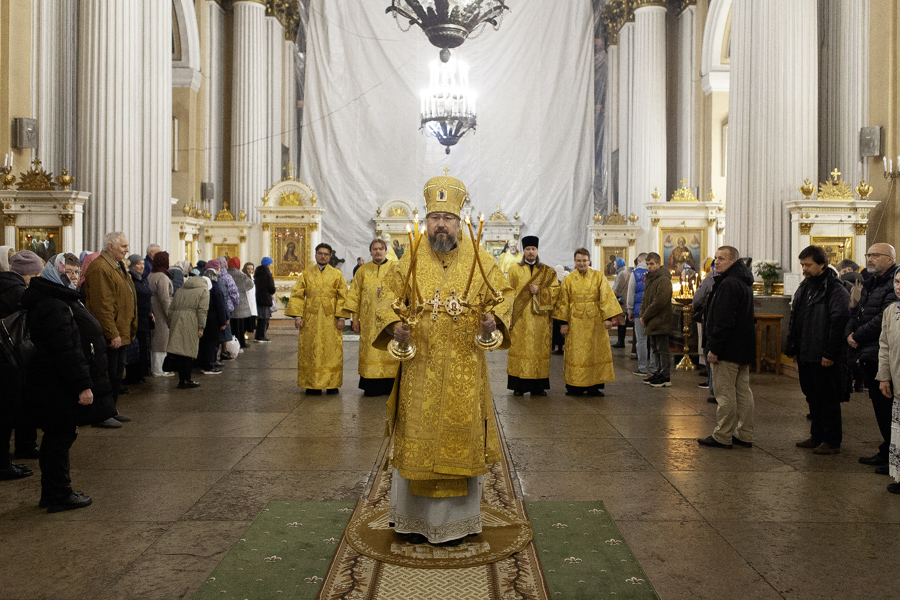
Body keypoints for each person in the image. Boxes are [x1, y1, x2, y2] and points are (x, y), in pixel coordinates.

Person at [373, 172, 513, 545]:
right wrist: (394, 327)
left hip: (466, 368)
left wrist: (491, 320)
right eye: (434, 217)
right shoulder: (411, 257)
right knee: (417, 438)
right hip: (420, 367)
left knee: (459, 441)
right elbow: (386, 296)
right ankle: (410, 521)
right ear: (427, 219)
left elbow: (505, 294)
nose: (440, 225)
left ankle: (457, 524)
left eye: (447, 218)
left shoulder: (480, 258)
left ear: (459, 221)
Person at [21, 255, 117, 512]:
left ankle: (53, 491)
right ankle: (58, 494)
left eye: (76, 272)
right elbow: (66, 351)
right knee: (60, 437)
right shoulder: (55, 305)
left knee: (58, 437)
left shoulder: (55, 299)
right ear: (55, 272)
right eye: (69, 271)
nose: (74, 276)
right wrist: (83, 386)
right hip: (56, 383)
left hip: (51, 380)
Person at [784, 246, 851, 455]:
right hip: (806, 351)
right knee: (812, 395)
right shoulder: (805, 286)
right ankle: (817, 436)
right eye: (802, 264)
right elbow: (797, 317)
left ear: (822, 264)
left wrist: (830, 353)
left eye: (808, 265)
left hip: (823, 352)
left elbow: (838, 321)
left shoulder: (834, 289)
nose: (804, 268)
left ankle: (831, 440)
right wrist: (793, 347)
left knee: (827, 398)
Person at [697, 246, 757, 449]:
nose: (716, 262)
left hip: (728, 349)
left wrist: (715, 348)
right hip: (742, 347)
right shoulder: (742, 281)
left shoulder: (729, 284)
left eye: (721, 258)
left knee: (725, 394)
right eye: (715, 258)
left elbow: (723, 321)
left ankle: (723, 435)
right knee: (742, 391)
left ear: (734, 260)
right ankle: (745, 433)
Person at [847, 243, 899, 468]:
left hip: (878, 351)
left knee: (888, 408)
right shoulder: (870, 283)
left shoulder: (890, 284)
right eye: (868, 254)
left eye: (875, 255)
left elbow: (881, 321)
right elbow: (857, 311)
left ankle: (892, 453)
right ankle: (888, 449)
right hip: (871, 353)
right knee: (880, 408)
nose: (870, 258)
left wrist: (857, 335)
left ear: (890, 259)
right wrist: (849, 333)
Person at [83, 231, 137, 428]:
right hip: (111, 334)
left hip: (120, 331)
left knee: (116, 374)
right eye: (123, 246)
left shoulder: (117, 266)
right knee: (105, 375)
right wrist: (111, 332)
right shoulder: (100, 268)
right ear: (111, 246)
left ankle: (111, 410)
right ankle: (101, 414)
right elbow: (102, 305)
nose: (127, 250)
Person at [553, 248, 623, 397]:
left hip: (595, 322)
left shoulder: (598, 277)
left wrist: (608, 318)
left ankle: (594, 387)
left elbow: (606, 297)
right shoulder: (568, 279)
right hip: (575, 322)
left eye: (584, 260)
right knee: (576, 354)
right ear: (575, 261)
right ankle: (574, 387)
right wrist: (563, 323)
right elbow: (563, 302)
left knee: (595, 353)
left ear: (589, 261)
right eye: (579, 260)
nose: (581, 263)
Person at [0, 250, 43, 481]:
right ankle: (2, 463)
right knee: (6, 413)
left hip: (7, 358)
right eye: (36, 273)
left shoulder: (8, 285)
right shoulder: (16, 291)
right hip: (9, 360)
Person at [285, 243, 348, 395]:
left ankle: (332, 383)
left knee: (331, 349)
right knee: (310, 348)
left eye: (326, 254)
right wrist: (298, 317)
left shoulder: (337, 274)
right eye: (320, 253)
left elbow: (343, 296)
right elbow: (297, 295)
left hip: (330, 318)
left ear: (330, 256)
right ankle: (311, 383)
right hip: (310, 318)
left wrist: (341, 317)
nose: (323, 256)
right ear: (315, 255)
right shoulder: (306, 274)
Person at [506, 235, 559, 396]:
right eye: (528, 249)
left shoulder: (547, 271)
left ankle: (538, 387)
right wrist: (508, 317)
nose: (531, 252)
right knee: (520, 349)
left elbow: (556, 291)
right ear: (524, 251)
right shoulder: (514, 269)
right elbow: (507, 293)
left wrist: (541, 291)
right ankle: (519, 386)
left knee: (538, 351)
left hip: (539, 320)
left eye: (533, 249)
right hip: (520, 318)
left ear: (537, 251)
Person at [345, 239, 398, 397]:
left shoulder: (395, 268)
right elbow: (355, 295)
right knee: (370, 351)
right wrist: (355, 319)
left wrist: (390, 290)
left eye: (380, 248)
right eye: (374, 249)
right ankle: (372, 385)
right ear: (370, 251)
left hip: (390, 319)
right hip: (369, 321)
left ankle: (390, 386)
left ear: (385, 250)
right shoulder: (362, 271)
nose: (378, 252)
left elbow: (405, 292)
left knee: (390, 350)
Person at [875, 269, 900, 492]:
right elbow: (884, 346)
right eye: (897, 282)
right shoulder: (891, 311)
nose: (899, 286)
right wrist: (884, 377)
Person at [166, 272, 209, 389]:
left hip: (177, 318)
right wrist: (201, 327)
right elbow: (202, 310)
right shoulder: (203, 291)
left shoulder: (180, 290)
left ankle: (181, 380)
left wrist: (170, 323)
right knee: (188, 351)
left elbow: (171, 308)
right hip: (192, 319)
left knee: (179, 351)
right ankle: (188, 379)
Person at [639, 252, 673, 387]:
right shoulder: (650, 278)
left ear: (659, 264)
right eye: (647, 264)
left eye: (652, 264)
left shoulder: (663, 280)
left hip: (661, 319)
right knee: (654, 348)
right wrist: (642, 314)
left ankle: (665, 375)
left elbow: (659, 302)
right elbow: (644, 298)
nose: (649, 267)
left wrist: (646, 315)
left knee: (662, 348)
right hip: (651, 319)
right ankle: (657, 372)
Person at [122, 254, 151, 385]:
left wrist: (151, 311)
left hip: (144, 316)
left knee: (143, 346)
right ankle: (133, 375)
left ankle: (141, 373)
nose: (141, 267)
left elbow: (149, 297)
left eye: (142, 264)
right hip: (134, 316)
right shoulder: (131, 279)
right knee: (134, 346)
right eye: (138, 264)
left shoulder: (143, 279)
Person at [693, 257, 717, 403]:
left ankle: (713, 387)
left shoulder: (710, 278)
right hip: (713, 321)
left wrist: (695, 304)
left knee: (708, 349)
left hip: (710, 320)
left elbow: (697, 298)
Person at [148, 251, 174, 377]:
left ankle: (155, 367)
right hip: (160, 311)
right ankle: (160, 369)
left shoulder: (151, 274)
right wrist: (170, 315)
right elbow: (165, 299)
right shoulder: (162, 277)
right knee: (161, 340)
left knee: (155, 340)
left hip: (153, 308)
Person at [627, 253, 653, 376]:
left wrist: (630, 310)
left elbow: (631, 293)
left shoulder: (635, 273)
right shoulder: (654, 272)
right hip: (653, 311)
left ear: (638, 261)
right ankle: (653, 367)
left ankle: (642, 367)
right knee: (653, 340)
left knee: (641, 340)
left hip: (639, 311)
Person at [199, 266, 228, 375]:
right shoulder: (215, 288)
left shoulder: (201, 286)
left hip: (202, 317)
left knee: (203, 342)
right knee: (212, 343)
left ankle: (203, 363)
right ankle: (209, 366)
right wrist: (223, 321)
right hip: (213, 319)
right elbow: (220, 306)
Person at [227, 257, 254, 350]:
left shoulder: (226, 273)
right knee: (240, 326)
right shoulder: (240, 275)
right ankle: (241, 342)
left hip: (229, 302)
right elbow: (250, 285)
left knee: (232, 325)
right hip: (241, 302)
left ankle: (231, 343)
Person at [254, 257, 276, 343]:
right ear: (268, 264)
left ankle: (259, 336)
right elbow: (271, 288)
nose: (272, 265)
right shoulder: (267, 274)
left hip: (258, 298)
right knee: (264, 319)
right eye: (271, 263)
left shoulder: (257, 273)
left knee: (260, 319)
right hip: (265, 299)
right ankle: (261, 336)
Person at [611, 257, 629, 348]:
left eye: (615, 264)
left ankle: (621, 342)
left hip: (622, 300)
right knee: (621, 320)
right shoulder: (625, 272)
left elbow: (616, 288)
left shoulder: (622, 274)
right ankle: (620, 341)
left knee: (621, 320)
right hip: (625, 299)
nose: (614, 266)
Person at [242, 262, 257, 336]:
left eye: (251, 269)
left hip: (252, 301)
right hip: (246, 302)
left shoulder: (252, 278)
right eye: (248, 269)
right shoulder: (243, 278)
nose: (250, 271)